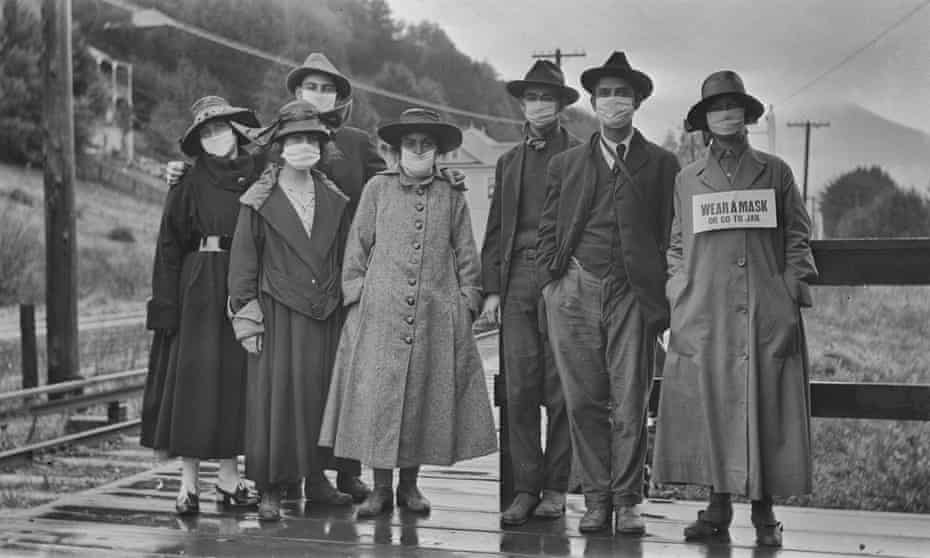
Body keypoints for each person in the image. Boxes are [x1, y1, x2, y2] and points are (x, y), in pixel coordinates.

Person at [165, 52, 383, 503]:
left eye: (326, 88)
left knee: (331, 383)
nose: (317, 95)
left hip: (335, 274)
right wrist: (184, 171)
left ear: (340, 97)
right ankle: (280, 477)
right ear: (296, 93)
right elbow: (229, 170)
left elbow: (387, 189)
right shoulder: (270, 148)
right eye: (310, 87)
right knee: (282, 387)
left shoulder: (359, 144)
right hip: (279, 286)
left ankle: (336, 474)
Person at [653, 71, 818, 548]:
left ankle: (765, 513)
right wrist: (678, 290)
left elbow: (797, 237)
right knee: (712, 404)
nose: (725, 113)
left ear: (747, 114)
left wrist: (789, 292)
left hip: (765, 310)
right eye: (716, 106)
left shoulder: (776, 171)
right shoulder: (688, 179)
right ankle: (717, 507)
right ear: (704, 119)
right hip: (705, 311)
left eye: (733, 105)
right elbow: (678, 242)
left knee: (764, 404)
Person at [319, 108, 498, 518]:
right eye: (410, 145)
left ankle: (410, 488)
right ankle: (381, 487)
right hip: (380, 311)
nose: (418, 151)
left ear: (437, 151)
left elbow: (465, 251)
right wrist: (359, 297)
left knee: (420, 396)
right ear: (397, 150)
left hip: (435, 311)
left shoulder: (451, 194)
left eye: (426, 145)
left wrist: (468, 299)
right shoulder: (377, 190)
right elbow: (358, 246)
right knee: (383, 399)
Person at [536, 52, 679, 535]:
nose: (613, 101)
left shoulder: (662, 164)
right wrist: (552, 285)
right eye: (605, 94)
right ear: (593, 103)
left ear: (637, 101)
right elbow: (547, 230)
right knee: (582, 400)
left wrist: (660, 297)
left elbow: (670, 234)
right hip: (574, 288)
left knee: (631, 398)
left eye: (622, 93)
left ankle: (630, 499)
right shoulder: (566, 164)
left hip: (633, 294)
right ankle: (596, 499)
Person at [227, 100, 355, 521]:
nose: (304, 145)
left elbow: (342, 255)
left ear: (321, 145)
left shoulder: (334, 197)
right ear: (280, 146)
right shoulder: (259, 198)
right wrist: (247, 318)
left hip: (325, 311)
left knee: (321, 399)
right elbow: (244, 261)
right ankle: (270, 488)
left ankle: (317, 480)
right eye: (295, 138)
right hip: (278, 312)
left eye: (311, 138)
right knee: (275, 403)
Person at [140, 96, 263, 515]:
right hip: (196, 284)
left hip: (243, 280)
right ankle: (187, 485)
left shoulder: (259, 172)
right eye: (206, 132)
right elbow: (169, 245)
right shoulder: (187, 181)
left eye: (220, 128)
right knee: (191, 381)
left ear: (236, 129)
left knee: (235, 378)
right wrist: (166, 306)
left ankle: (229, 479)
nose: (215, 137)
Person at [480, 59, 580, 526]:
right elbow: (497, 229)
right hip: (517, 279)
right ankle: (525, 487)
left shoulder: (582, 155)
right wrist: (493, 290)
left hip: (564, 279)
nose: (538, 105)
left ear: (561, 105)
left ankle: (556, 488)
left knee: (562, 389)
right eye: (531, 97)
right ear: (522, 104)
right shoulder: (508, 161)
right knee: (518, 388)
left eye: (547, 97)